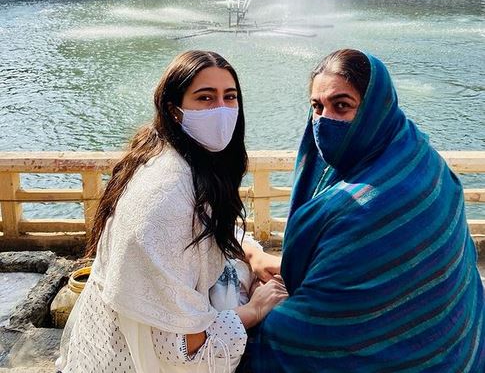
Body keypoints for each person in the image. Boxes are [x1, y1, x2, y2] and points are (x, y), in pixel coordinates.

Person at [249, 49, 484, 372]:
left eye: (342, 106)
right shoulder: (421, 158)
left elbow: (313, 335)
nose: (324, 120)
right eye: (317, 107)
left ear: (375, 108)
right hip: (454, 346)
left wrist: (248, 315)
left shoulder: (361, 210)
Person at [57, 50, 286, 373]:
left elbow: (199, 235)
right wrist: (255, 310)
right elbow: (182, 348)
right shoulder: (166, 196)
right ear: (174, 110)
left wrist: (251, 254)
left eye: (229, 97)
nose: (221, 110)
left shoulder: (172, 157)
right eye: (205, 98)